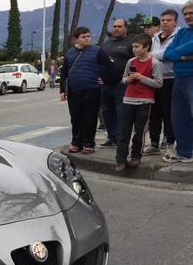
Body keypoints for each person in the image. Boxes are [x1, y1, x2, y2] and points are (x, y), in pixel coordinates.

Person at [59, 27, 115, 155]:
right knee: (75, 117)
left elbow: (110, 65)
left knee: (89, 117)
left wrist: (105, 79)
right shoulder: (70, 53)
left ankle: (88, 144)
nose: (87, 39)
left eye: (88, 36)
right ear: (76, 39)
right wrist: (62, 90)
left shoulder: (97, 51)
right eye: (84, 37)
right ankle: (76, 143)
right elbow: (64, 73)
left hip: (92, 90)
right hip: (74, 90)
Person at [114, 34, 163, 172]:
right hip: (128, 99)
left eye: (137, 47)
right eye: (133, 47)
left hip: (145, 100)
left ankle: (136, 155)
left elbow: (158, 83)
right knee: (124, 130)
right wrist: (127, 80)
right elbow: (124, 78)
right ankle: (121, 159)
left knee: (140, 131)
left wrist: (141, 78)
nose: (134, 49)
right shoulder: (131, 61)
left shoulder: (154, 63)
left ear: (146, 47)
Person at [144, 9, 180, 156]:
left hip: (171, 79)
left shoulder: (178, 36)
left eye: (169, 20)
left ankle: (169, 140)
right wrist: (162, 55)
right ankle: (153, 142)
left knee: (169, 113)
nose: (165, 22)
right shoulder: (153, 39)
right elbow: (145, 55)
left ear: (175, 22)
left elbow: (174, 54)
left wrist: (153, 54)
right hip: (154, 80)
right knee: (153, 114)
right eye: (163, 20)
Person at [162, 0, 193, 163]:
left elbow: (176, 50)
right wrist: (185, 56)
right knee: (179, 118)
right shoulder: (182, 32)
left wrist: (178, 52)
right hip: (179, 79)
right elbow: (167, 53)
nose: (188, 16)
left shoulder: (181, 35)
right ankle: (185, 153)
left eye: (191, 13)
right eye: (185, 14)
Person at [99, 19, 134, 148]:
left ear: (126, 28)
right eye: (114, 26)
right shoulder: (106, 45)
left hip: (122, 85)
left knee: (121, 113)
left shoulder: (130, 43)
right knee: (107, 111)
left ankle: (121, 139)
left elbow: (136, 61)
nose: (116, 29)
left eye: (120, 26)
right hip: (105, 85)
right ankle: (112, 137)